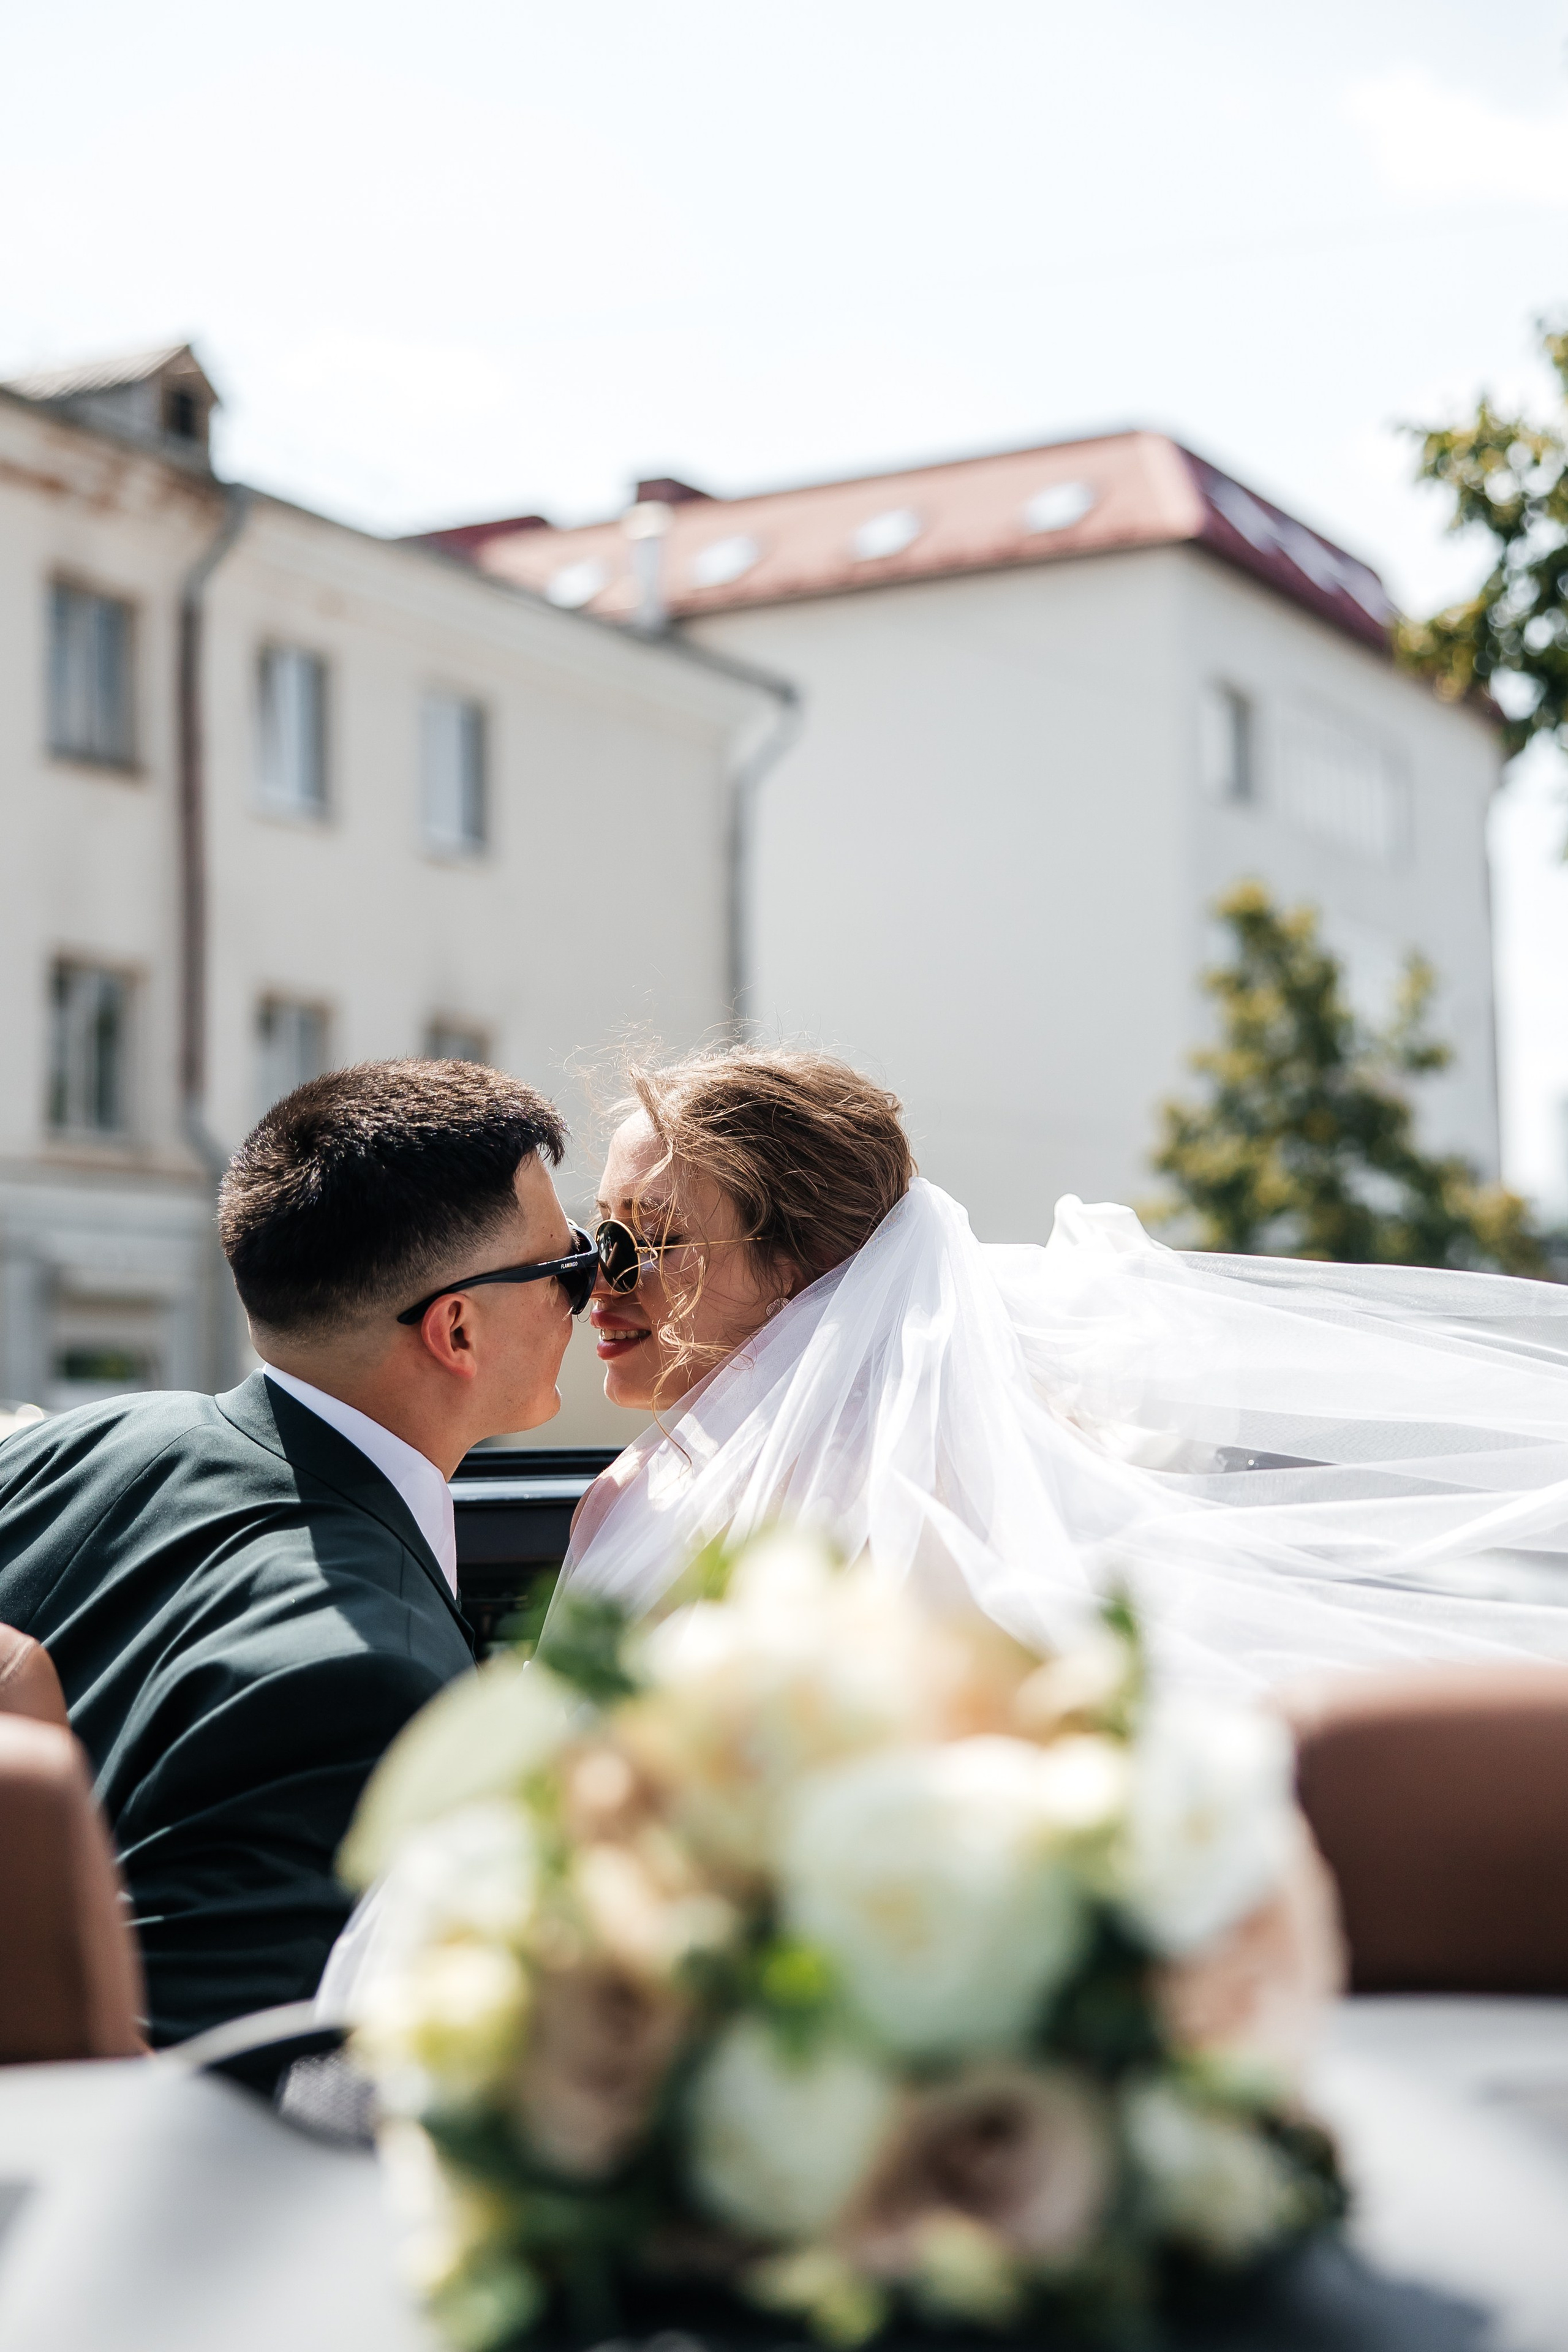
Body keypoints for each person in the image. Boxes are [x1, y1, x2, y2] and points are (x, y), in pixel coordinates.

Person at [561, 1044, 1568, 1693]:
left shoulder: (947, 1509)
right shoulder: (620, 1500)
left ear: (805, 1275)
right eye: (599, 1230)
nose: (595, 1278)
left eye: (648, 1240)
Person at [0, 1059, 598, 2045]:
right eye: (566, 1270)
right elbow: (216, 2098)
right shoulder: (371, 1676)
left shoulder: (74, 1446)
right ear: (458, 1328)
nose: (587, 1295)